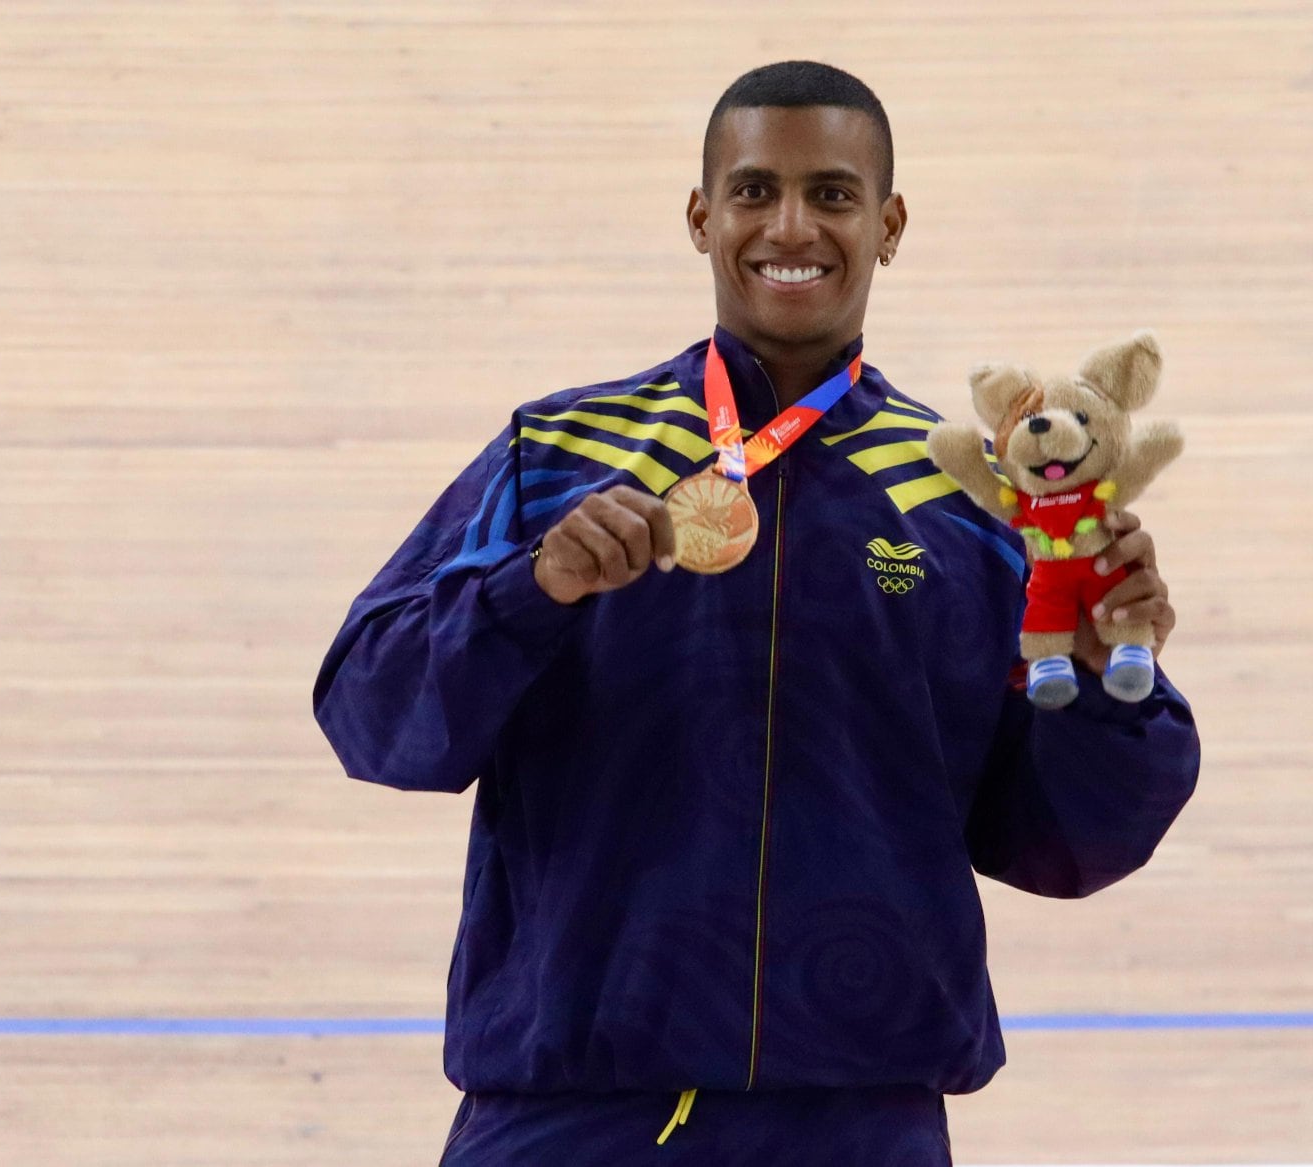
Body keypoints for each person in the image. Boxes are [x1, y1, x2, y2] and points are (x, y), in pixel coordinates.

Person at [313, 60, 1200, 1166]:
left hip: (857, 1121)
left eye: (831, 194)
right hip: (568, 1114)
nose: (791, 225)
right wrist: (527, 589)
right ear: (700, 217)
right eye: (752, 191)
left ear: (889, 224)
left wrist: (1114, 686)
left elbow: (1064, 843)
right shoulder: (559, 455)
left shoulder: (974, 507)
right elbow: (371, 716)